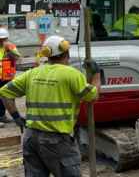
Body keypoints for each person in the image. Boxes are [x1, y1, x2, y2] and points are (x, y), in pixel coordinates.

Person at [0, 35, 101, 176]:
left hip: (31, 137)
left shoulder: (32, 73)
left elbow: (5, 93)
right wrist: (96, 75)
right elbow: (92, 96)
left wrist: (16, 117)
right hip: (57, 140)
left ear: (47, 55)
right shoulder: (72, 74)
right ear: (67, 53)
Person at [0, 27, 20, 124]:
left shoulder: (11, 46)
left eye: (4, 39)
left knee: (8, 96)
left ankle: (11, 116)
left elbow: (17, 58)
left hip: (8, 76)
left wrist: (9, 51)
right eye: (1, 40)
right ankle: (1, 116)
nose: (2, 41)